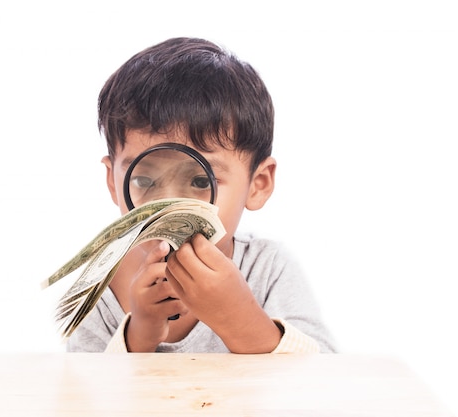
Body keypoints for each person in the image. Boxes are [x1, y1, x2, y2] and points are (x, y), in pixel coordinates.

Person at [66, 37, 336, 353]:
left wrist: (239, 318)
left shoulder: (268, 269)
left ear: (258, 184)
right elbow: (86, 396)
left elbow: (321, 381)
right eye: (143, 179)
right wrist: (138, 335)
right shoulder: (98, 285)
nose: (169, 209)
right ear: (114, 183)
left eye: (198, 181)